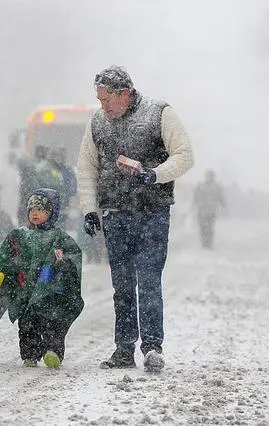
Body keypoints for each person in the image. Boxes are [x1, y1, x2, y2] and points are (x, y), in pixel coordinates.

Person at [76, 65, 194, 371]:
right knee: (123, 285)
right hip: (116, 214)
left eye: (106, 100)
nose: (102, 106)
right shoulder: (98, 122)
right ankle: (124, 349)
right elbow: (86, 166)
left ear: (124, 93)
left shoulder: (159, 114)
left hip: (152, 212)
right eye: (99, 100)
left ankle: (152, 347)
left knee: (149, 281)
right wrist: (89, 209)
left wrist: (154, 175)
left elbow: (184, 155)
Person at [0, 188, 84, 368]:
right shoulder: (20, 236)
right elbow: (5, 257)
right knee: (28, 325)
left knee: (53, 324)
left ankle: (53, 352)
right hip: (26, 292)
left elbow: (73, 258)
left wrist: (63, 263)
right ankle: (30, 354)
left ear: (51, 213)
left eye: (41, 210)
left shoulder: (59, 238)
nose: (35, 213)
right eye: (31, 210)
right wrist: (5, 274)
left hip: (50, 293)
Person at [192, 169, 226, 248]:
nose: (209, 177)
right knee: (202, 227)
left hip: (211, 211)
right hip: (201, 211)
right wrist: (194, 205)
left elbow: (220, 197)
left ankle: (209, 243)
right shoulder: (200, 185)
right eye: (208, 176)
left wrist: (224, 205)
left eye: (211, 176)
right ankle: (204, 243)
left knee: (210, 228)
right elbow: (195, 196)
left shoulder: (216, 187)